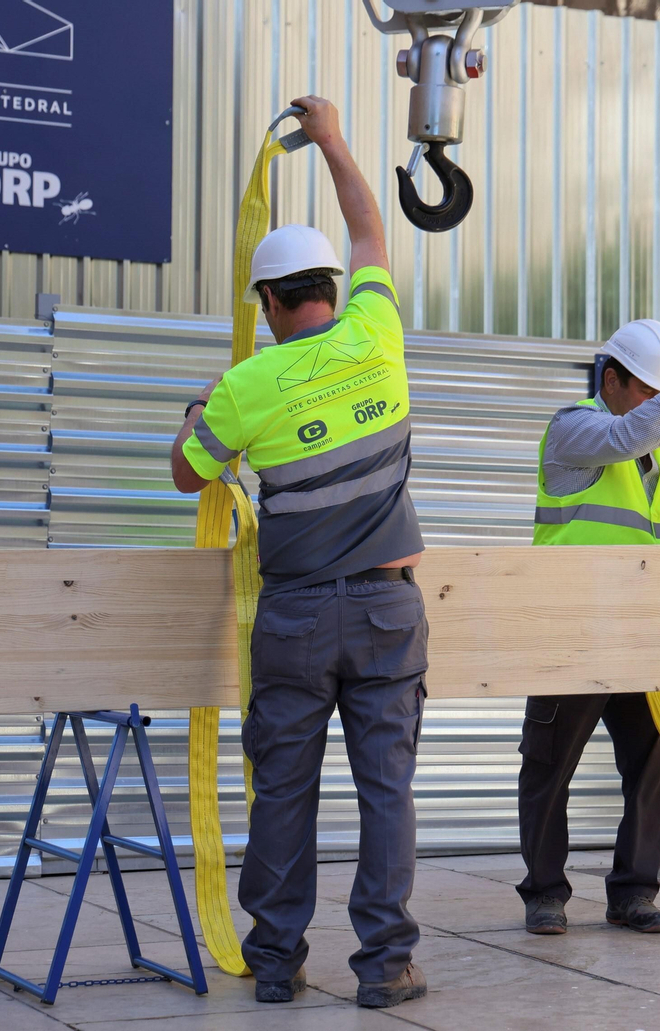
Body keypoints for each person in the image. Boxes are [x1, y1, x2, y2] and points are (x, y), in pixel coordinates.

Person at [169, 95, 428, 1010]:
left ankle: (276, 962)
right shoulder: (378, 332)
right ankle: (386, 965)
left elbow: (185, 476)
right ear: (335, 284)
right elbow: (368, 222)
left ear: (272, 302)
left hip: (295, 620)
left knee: (282, 792)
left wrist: (200, 412)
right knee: (386, 791)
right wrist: (330, 139)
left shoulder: (249, 383)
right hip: (390, 609)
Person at [517, 318, 660, 936]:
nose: (658, 404)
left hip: (647, 633)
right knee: (548, 766)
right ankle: (544, 894)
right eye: (646, 390)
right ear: (609, 380)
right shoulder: (573, 431)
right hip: (573, 631)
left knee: (650, 767)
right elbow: (626, 435)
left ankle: (634, 893)